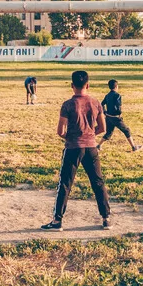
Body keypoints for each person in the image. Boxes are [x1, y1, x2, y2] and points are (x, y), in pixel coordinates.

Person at [41, 71, 112, 231]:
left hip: (73, 147)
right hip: (91, 147)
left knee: (65, 184)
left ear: (72, 86)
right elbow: (102, 128)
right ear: (88, 85)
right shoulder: (95, 103)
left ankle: (57, 221)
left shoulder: (67, 104)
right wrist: (89, 134)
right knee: (98, 182)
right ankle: (106, 218)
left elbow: (60, 130)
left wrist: (71, 136)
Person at [97, 79, 142, 151]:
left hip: (108, 117)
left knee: (109, 132)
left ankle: (99, 145)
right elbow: (118, 106)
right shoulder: (117, 95)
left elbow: (101, 104)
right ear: (116, 87)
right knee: (126, 130)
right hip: (116, 118)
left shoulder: (107, 95)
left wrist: (105, 112)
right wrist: (119, 113)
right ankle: (134, 147)